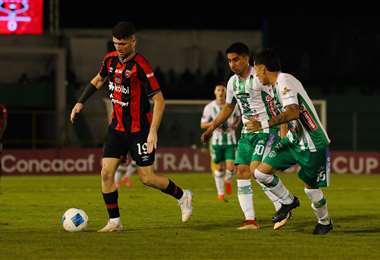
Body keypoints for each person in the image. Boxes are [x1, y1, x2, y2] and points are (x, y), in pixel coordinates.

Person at [70, 21, 192, 232]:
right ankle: (115, 221)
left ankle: (183, 196)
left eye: (123, 43)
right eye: (116, 43)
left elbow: (160, 100)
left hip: (139, 130)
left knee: (147, 178)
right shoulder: (109, 60)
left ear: (133, 41)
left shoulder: (141, 66)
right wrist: (81, 101)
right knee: (106, 173)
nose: (119, 47)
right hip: (117, 128)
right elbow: (99, 80)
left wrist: (153, 131)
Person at [246, 48, 333, 234]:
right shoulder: (274, 86)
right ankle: (288, 201)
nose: (255, 74)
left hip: (312, 143)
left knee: (311, 189)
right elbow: (284, 115)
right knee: (261, 173)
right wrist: (283, 137)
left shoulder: (284, 80)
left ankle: (325, 222)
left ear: (262, 68)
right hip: (293, 140)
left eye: (255, 69)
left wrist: (262, 124)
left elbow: (293, 112)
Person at [201, 42, 286, 230]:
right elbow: (229, 107)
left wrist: (283, 130)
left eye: (236, 59)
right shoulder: (232, 82)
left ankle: (283, 205)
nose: (232, 64)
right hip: (247, 134)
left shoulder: (259, 77)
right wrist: (212, 127)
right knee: (241, 172)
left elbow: (278, 101)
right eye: (229, 61)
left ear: (247, 59)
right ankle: (250, 220)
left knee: (257, 171)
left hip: (266, 130)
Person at [201, 83, 241, 201]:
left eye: (223, 90)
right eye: (218, 90)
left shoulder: (233, 105)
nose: (221, 92)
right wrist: (215, 123)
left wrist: (235, 125)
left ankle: (228, 180)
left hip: (230, 140)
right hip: (216, 142)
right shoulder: (209, 107)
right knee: (219, 168)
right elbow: (202, 124)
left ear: (226, 92)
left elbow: (238, 117)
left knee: (231, 167)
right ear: (215, 92)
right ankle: (221, 193)